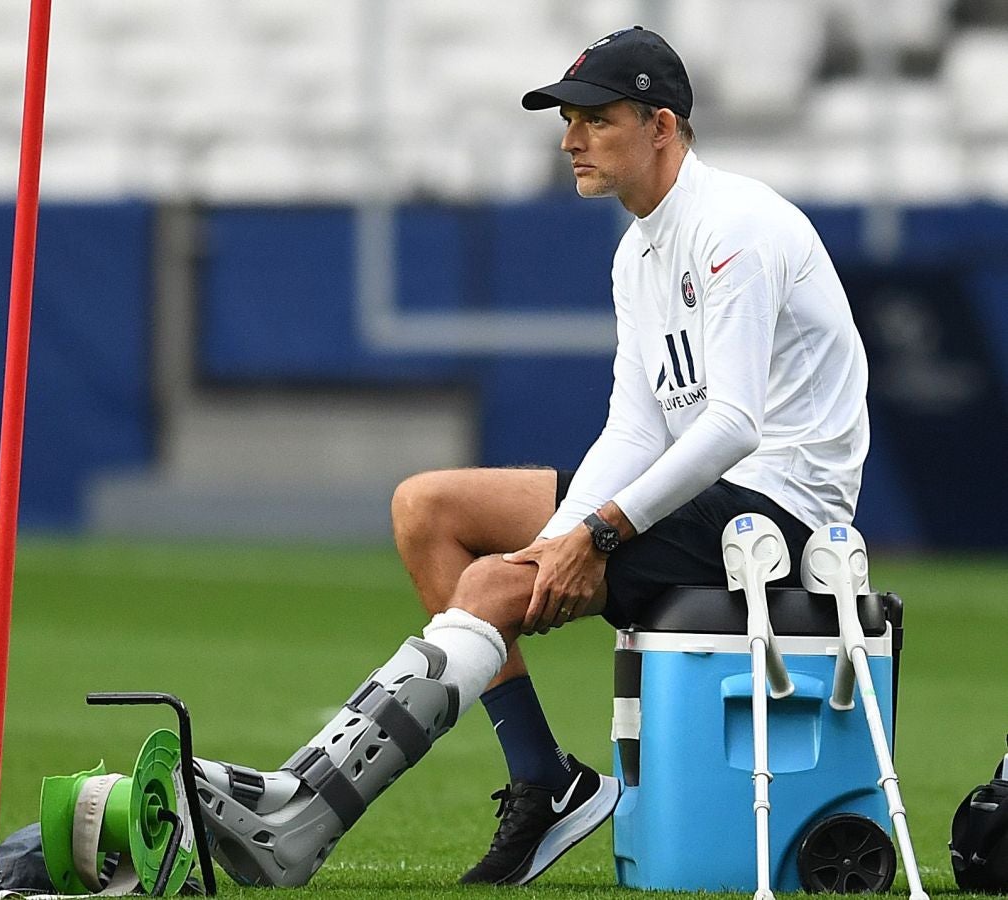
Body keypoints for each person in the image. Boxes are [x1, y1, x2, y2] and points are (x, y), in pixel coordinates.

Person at [192, 25, 869, 888]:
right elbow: (635, 427)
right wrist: (563, 540)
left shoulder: (733, 225)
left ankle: (301, 814)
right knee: (427, 510)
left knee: (490, 587)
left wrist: (600, 534)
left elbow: (733, 424)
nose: (569, 138)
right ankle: (543, 777)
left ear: (661, 125)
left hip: (778, 507)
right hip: (710, 490)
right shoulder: (638, 249)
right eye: (567, 118)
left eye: (593, 117)